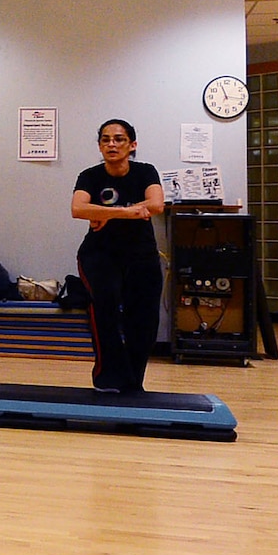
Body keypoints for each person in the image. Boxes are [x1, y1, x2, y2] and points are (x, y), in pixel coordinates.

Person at [71, 118, 165, 393]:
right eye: (106, 139)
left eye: (119, 139)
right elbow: (78, 209)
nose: (112, 144)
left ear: (132, 145)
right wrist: (124, 212)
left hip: (141, 255)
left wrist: (104, 214)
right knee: (106, 310)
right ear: (100, 146)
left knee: (144, 319)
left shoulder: (145, 172)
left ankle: (133, 382)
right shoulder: (89, 176)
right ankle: (107, 379)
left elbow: (156, 204)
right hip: (100, 255)